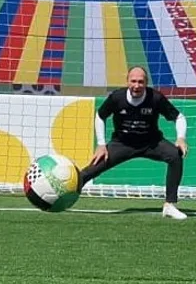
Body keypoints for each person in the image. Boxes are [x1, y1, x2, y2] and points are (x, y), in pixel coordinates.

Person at [79, 66, 188, 219]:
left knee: (175, 156)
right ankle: (64, 194)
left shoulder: (155, 98)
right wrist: (101, 144)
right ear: (127, 82)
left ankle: (169, 205)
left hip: (152, 143)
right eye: (133, 81)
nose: (137, 85)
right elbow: (100, 116)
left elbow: (179, 117)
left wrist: (181, 138)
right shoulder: (117, 97)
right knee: (91, 170)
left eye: (141, 82)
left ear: (146, 83)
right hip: (122, 144)